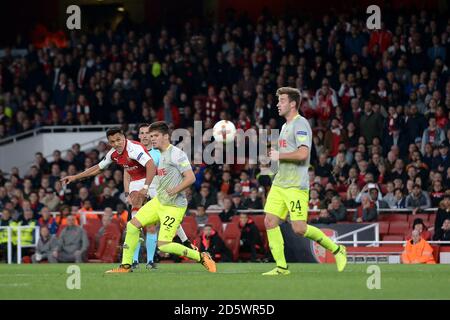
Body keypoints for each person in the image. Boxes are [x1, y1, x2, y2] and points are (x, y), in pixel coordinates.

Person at [105, 121, 216, 273]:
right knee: (132, 225)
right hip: (159, 202)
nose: (152, 139)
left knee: (163, 244)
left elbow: (190, 178)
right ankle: (126, 266)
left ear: (166, 136)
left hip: (174, 206)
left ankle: (201, 257)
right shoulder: (157, 155)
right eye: (150, 136)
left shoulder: (177, 154)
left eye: (155, 136)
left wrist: (175, 189)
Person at [263, 87, 346, 275]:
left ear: (293, 104)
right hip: (279, 184)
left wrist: (279, 155)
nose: (278, 104)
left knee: (299, 229)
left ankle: (337, 250)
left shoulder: (301, 124)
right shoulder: (285, 126)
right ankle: (281, 267)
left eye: (282, 100)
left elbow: (303, 153)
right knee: (269, 221)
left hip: (295, 186)